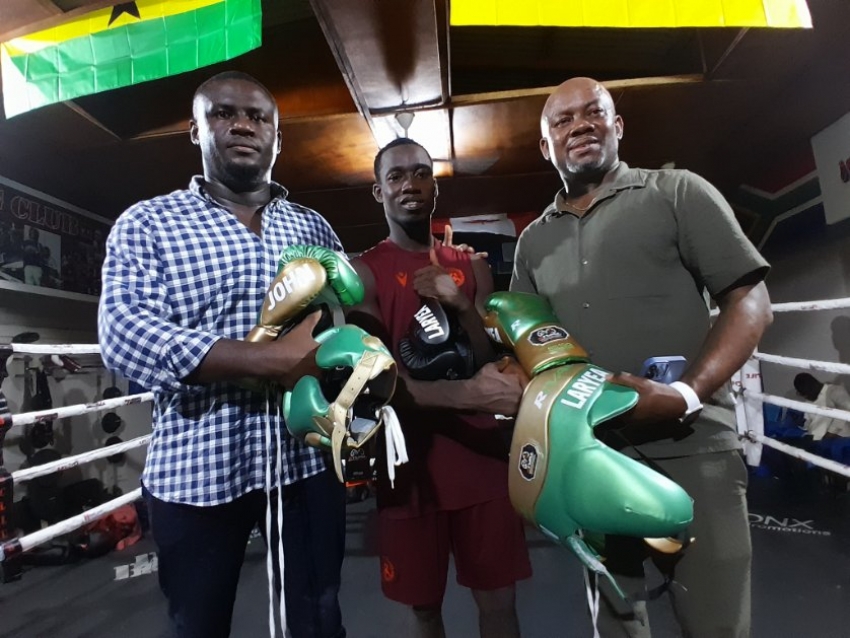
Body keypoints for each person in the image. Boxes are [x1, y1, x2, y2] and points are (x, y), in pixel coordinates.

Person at [511, 77, 774, 637]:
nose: (581, 125)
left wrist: (685, 394)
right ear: (545, 146)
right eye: (562, 120)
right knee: (618, 622)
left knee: (717, 624)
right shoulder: (533, 241)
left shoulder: (676, 192)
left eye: (594, 112)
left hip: (693, 444)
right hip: (589, 453)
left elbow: (750, 301)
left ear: (618, 126)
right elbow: (528, 344)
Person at [98, 71, 347, 638]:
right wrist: (269, 360)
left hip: (303, 461)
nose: (242, 125)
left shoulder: (313, 227)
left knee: (319, 619)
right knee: (198, 625)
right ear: (196, 130)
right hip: (197, 469)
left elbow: (339, 322)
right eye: (223, 113)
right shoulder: (149, 223)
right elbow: (123, 334)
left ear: (278, 137)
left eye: (258, 117)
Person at [346, 138, 532, 638]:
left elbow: (491, 357)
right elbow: (374, 378)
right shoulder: (364, 273)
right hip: (410, 468)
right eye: (395, 176)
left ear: (435, 187)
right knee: (424, 609)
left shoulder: (471, 266)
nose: (409, 184)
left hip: (482, 460)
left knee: (499, 601)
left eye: (421, 173)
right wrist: (469, 394)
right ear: (378, 191)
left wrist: (462, 304)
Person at [793, 372, 850, 440]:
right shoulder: (809, 400)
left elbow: (844, 412)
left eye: (805, 394)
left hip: (836, 439)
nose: (805, 397)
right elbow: (809, 423)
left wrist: (828, 436)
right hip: (813, 438)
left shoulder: (835, 391)